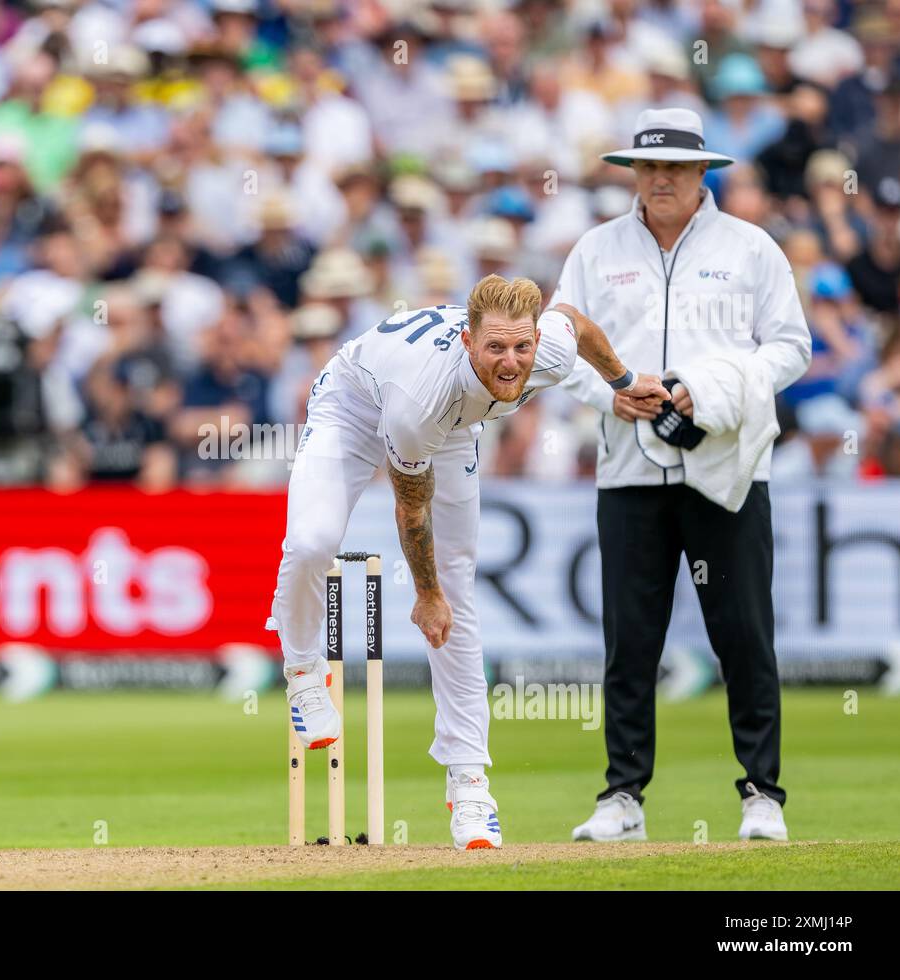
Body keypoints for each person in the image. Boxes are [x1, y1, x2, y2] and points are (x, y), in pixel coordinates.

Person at [266, 274, 668, 849]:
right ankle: (304, 671)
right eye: (495, 348)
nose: (511, 363)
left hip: (457, 426)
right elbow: (412, 510)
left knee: (459, 594)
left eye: (521, 347)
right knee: (312, 541)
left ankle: (471, 787)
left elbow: (576, 325)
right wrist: (424, 596)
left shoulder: (546, 345)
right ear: (466, 341)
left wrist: (623, 382)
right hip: (354, 407)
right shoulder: (417, 405)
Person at [553, 108, 812, 843]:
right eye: (649, 165)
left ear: (704, 171)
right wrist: (608, 393)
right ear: (632, 171)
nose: (661, 177)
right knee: (630, 641)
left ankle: (763, 794)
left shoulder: (751, 247)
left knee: (744, 635)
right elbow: (557, 345)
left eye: (676, 165)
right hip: (628, 470)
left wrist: (720, 388)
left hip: (726, 470)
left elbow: (791, 347)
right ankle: (622, 799)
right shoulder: (596, 250)